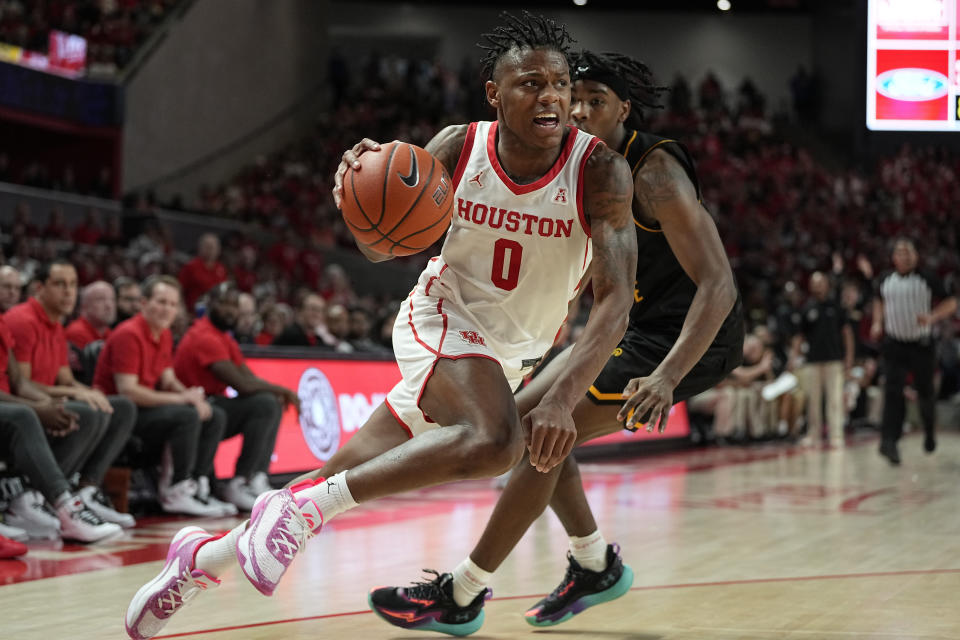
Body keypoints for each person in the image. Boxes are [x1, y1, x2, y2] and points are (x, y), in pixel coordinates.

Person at [124, 13, 637, 640]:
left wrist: (560, 395)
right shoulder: (459, 146)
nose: (552, 96)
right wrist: (359, 196)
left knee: (343, 469)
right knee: (499, 441)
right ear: (494, 94)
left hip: (507, 356)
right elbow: (384, 249)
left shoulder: (601, 171)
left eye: (559, 82)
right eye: (530, 83)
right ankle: (306, 511)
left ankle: (198, 562)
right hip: (440, 321)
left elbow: (614, 304)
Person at [369, 49, 743, 633]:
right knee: (536, 424)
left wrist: (669, 374)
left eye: (597, 101)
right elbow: (572, 280)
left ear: (625, 108)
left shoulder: (652, 171)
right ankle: (593, 564)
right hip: (633, 330)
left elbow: (719, 284)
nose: (581, 109)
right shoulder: (576, 169)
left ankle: (464, 592)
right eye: (577, 98)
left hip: (684, 338)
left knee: (530, 433)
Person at [4, 260, 137, 528]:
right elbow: (23, 384)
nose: (69, 292)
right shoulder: (21, 320)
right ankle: (40, 496)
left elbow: (63, 378)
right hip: (22, 406)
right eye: (60, 284)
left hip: (29, 402)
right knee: (87, 413)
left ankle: (85, 489)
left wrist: (86, 392)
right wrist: (54, 402)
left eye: (74, 285)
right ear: (39, 288)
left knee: (119, 407)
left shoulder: (56, 324)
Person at [94, 275, 229, 517]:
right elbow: (129, 390)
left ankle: (196, 485)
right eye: (161, 302)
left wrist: (190, 395)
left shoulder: (163, 334)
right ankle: (175, 490)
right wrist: (182, 400)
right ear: (144, 303)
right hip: (120, 413)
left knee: (213, 414)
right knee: (186, 416)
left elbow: (167, 378)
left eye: (172, 304)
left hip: (145, 408)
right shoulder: (130, 334)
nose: (167, 309)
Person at [174, 282, 299, 510]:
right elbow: (242, 385)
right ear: (210, 304)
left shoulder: (224, 337)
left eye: (234, 305)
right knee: (264, 403)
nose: (231, 311)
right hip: (192, 404)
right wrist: (285, 391)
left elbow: (249, 377)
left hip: (211, 403)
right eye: (224, 304)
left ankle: (255, 477)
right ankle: (240, 482)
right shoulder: (204, 335)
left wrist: (278, 392)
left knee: (268, 402)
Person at [0, 314, 123, 542]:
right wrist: (38, 409)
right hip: (10, 409)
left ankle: (37, 499)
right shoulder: (22, 320)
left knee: (87, 412)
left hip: (10, 404)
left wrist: (47, 406)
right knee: (24, 415)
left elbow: (19, 382)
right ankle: (66, 507)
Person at [871, 238, 957, 464]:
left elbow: (951, 303)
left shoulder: (927, 278)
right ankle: (888, 441)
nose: (905, 256)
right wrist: (877, 323)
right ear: (894, 258)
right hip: (894, 343)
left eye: (909, 252)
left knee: (925, 393)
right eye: (900, 252)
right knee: (892, 392)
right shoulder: (885, 279)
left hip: (921, 345)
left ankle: (929, 431)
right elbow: (878, 301)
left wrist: (933, 317)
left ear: (916, 256)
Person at [791, 271, 854, 448]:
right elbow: (799, 336)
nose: (817, 286)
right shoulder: (807, 308)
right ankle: (814, 434)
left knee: (834, 399)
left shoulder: (837, 307)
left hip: (834, 360)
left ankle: (836, 435)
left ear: (827, 284)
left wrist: (849, 358)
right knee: (813, 400)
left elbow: (847, 333)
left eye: (821, 283)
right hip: (812, 361)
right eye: (814, 283)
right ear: (810, 286)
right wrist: (794, 358)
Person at [178, 233, 228, 312]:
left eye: (213, 247)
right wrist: (182, 309)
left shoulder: (221, 268)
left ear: (219, 249)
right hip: (193, 312)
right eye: (207, 246)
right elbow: (179, 290)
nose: (210, 250)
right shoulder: (191, 267)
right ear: (200, 248)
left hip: (214, 313)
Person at [65, 280, 116, 349]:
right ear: (85, 306)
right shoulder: (76, 333)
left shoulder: (109, 333)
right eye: (100, 299)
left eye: (112, 299)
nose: (109, 305)